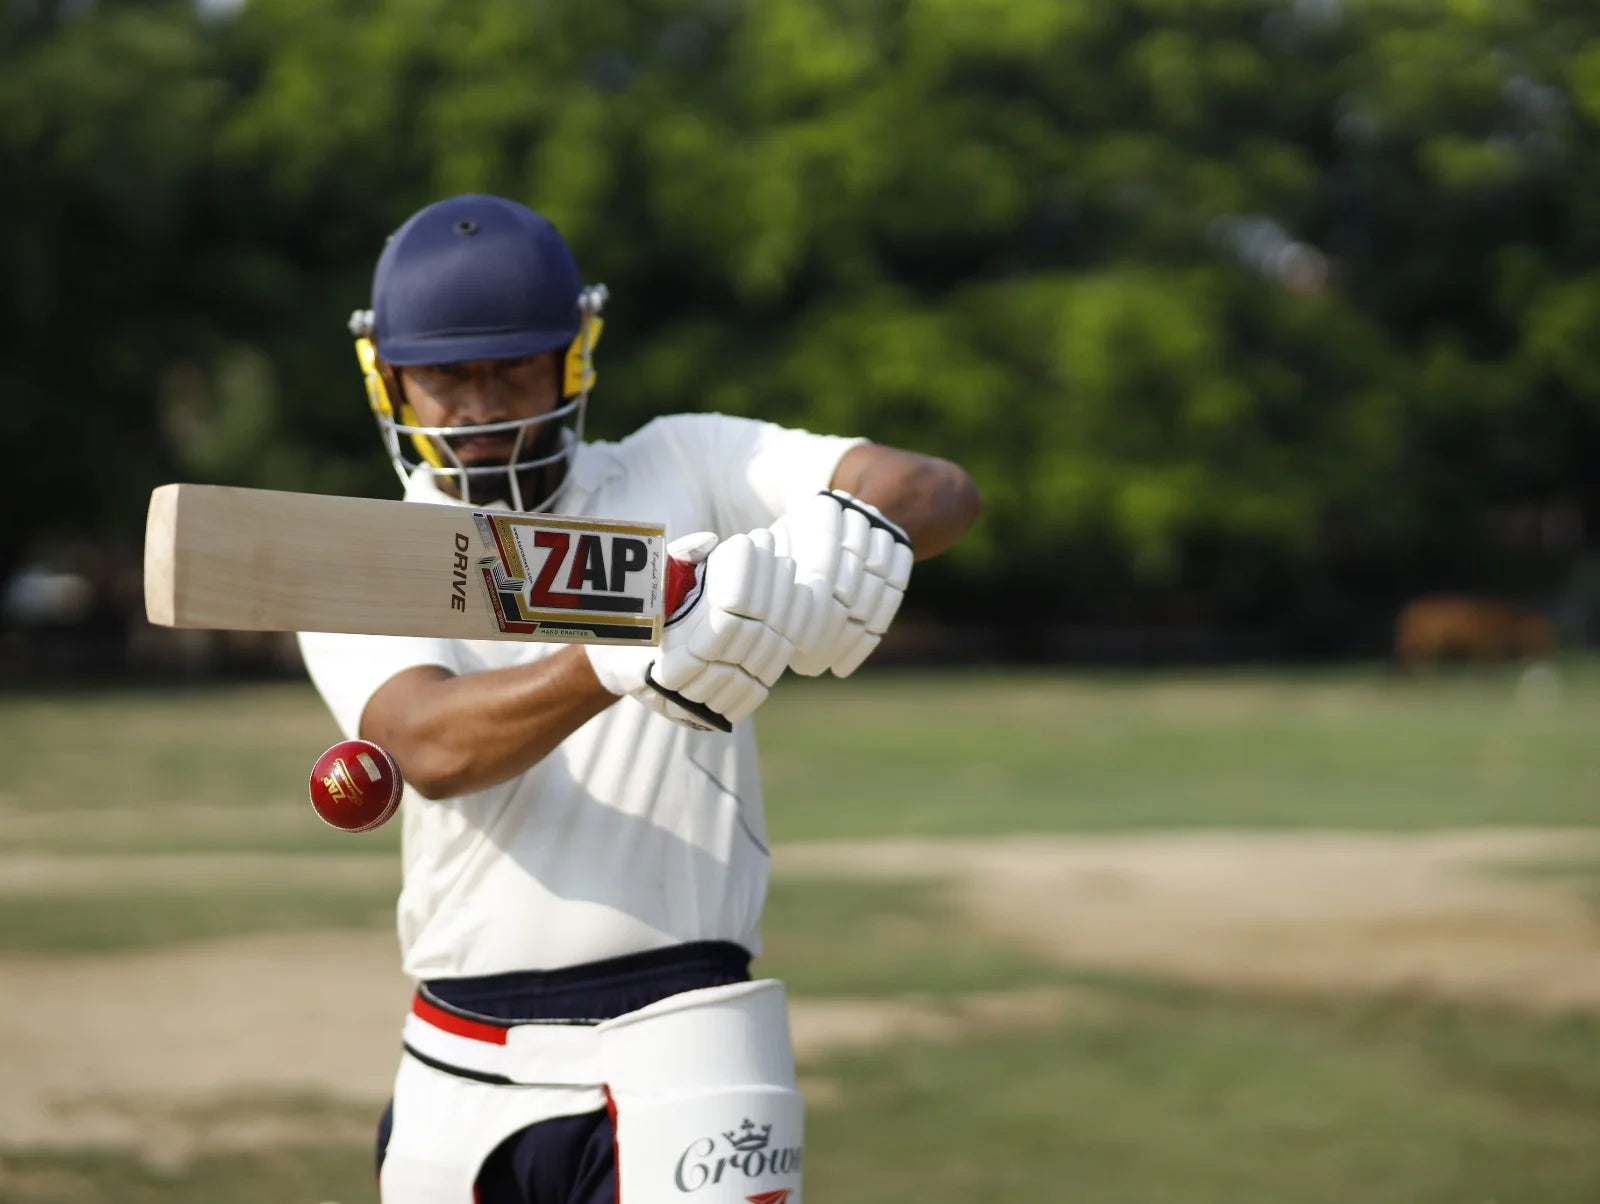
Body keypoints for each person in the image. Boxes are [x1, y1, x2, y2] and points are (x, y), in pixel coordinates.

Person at [297, 193, 980, 1204]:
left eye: (512, 366)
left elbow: (934, 488)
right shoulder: (363, 558)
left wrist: (813, 549)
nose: (479, 406)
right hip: (457, 1059)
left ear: (574, 355)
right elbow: (427, 747)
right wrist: (619, 654)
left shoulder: (685, 466)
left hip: (689, 1041)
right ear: (386, 377)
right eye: (445, 375)